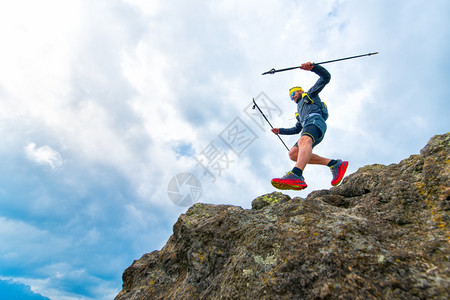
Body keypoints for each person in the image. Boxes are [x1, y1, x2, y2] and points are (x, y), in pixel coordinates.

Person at [270, 62, 348, 190]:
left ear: (300, 91)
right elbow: (297, 129)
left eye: (293, 93)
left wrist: (314, 68)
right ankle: (335, 164)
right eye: (290, 97)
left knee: (304, 140)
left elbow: (326, 77)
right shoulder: (299, 112)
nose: (292, 97)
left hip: (316, 120)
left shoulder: (309, 95)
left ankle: (296, 175)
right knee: (293, 154)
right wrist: (280, 131)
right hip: (308, 124)